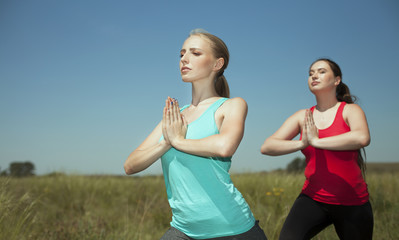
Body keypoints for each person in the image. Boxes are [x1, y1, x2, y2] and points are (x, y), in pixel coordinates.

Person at [124, 29, 267, 240]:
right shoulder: (174, 117)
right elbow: (130, 165)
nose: (184, 59)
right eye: (181, 54)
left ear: (217, 64)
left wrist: (178, 140)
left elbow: (224, 146)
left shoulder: (231, 106)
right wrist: (166, 144)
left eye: (195, 53)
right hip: (183, 230)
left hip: (232, 229)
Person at [260, 58, 373, 240]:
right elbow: (267, 146)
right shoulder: (303, 116)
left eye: (321, 71)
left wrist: (316, 141)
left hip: (353, 202)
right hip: (313, 199)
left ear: (337, 80)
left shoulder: (350, 110)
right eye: (311, 73)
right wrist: (302, 143)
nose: (314, 76)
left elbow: (362, 138)